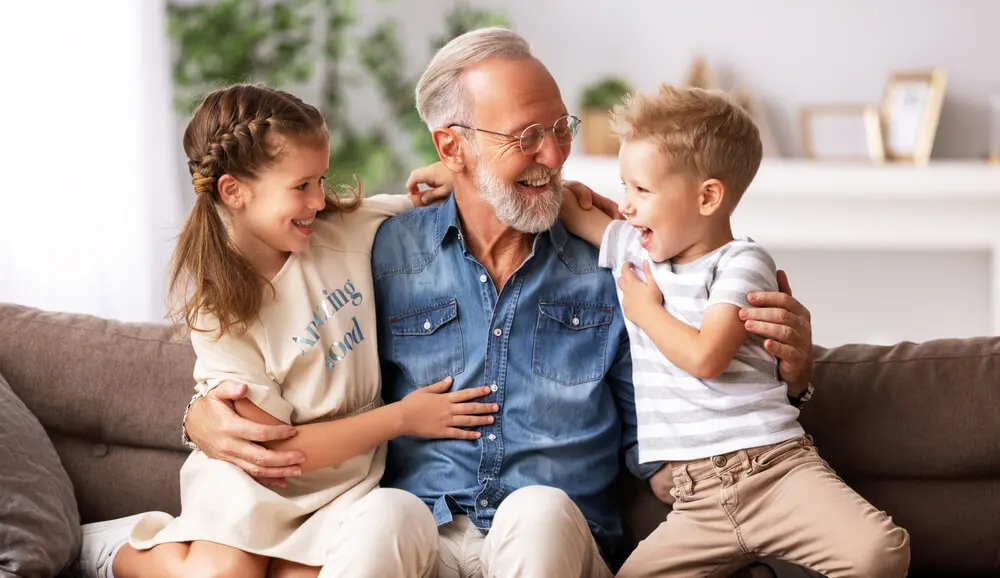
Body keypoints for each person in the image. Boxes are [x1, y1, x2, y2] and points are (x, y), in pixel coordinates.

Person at [183, 29, 817, 577]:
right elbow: (274, 313)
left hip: (557, 542)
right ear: (452, 148)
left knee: (535, 510)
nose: (555, 154)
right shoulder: (380, 251)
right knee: (381, 515)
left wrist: (784, 379)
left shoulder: (619, 265)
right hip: (422, 537)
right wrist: (201, 413)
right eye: (527, 136)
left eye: (560, 128)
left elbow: (667, 409)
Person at [78, 83, 500, 578]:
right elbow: (275, 450)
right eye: (301, 186)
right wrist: (403, 418)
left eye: (321, 180)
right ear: (234, 191)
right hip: (258, 477)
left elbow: (434, 204)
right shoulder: (222, 308)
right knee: (223, 573)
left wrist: (456, 174)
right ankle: (114, 551)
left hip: (344, 479)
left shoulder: (346, 232)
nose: (319, 201)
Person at [557, 83, 911, 577]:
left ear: (707, 197)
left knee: (880, 552)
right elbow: (564, 207)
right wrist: (457, 171)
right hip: (696, 500)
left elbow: (706, 357)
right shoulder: (635, 251)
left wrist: (646, 312)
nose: (627, 206)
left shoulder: (742, 262)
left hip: (774, 473)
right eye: (623, 187)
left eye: (642, 189)